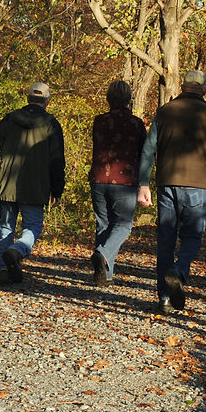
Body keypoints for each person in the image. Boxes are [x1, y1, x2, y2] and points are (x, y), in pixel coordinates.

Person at [137, 69, 206, 314]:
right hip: (197, 186)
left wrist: (143, 183)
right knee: (192, 237)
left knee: (166, 240)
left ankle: (164, 298)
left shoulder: (165, 111)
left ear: (182, 86)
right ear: (205, 89)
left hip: (166, 183)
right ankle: (179, 271)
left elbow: (148, 150)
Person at [0, 81, 66, 285]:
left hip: (6, 182)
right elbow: (56, 160)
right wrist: (57, 189)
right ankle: (17, 251)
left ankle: (2, 269)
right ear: (47, 101)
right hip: (36, 184)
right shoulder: (52, 124)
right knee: (33, 226)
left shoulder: (10, 119)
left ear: (28, 99)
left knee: (6, 226)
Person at [89, 80, 147, 286]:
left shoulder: (99, 121)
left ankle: (105, 275)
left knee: (103, 224)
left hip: (98, 178)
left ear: (108, 98)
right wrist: (144, 181)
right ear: (128, 99)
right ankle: (102, 254)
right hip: (124, 179)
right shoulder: (136, 124)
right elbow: (144, 153)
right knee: (123, 225)